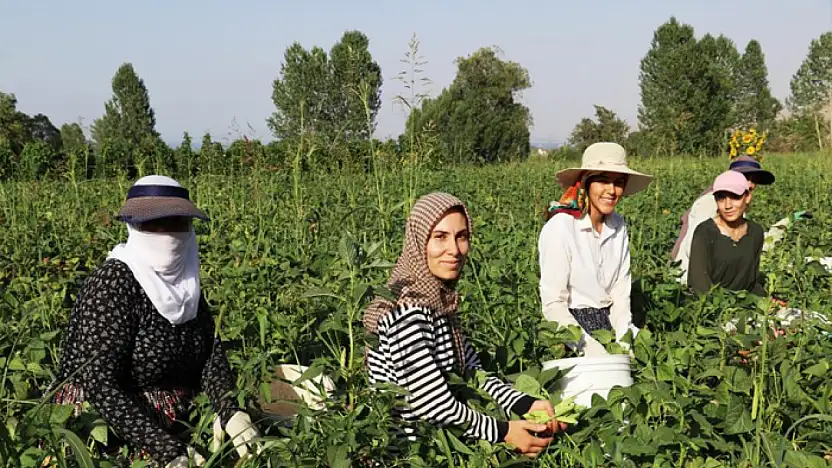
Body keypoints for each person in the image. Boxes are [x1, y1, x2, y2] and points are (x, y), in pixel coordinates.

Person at [46, 176, 259, 468]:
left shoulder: (187, 284)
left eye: (176, 223)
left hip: (172, 405)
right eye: (154, 224)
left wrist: (230, 411)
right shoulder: (114, 283)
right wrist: (165, 448)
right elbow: (98, 382)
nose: (166, 234)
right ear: (134, 227)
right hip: (106, 419)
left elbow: (209, 354)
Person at [363, 192, 566, 458]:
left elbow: (472, 372)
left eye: (461, 236)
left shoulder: (437, 302)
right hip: (410, 454)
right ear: (418, 241)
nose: (454, 250)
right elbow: (431, 402)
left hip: (444, 441)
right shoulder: (407, 312)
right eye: (440, 237)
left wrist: (524, 403)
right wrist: (504, 432)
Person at [539, 142, 653, 356]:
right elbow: (553, 304)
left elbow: (620, 293)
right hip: (571, 327)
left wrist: (624, 341)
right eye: (603, 180)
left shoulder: (618, 225)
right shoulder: (561, 227)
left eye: (619, 182)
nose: (612, 190)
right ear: (586, 183)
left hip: (609, 322)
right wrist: (591, 350)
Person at [671, 155, 803, 285]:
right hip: (689, 279)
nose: (751, 184)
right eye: (746, 178)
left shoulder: (738, 209)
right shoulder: (709, 203)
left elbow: (747, 242)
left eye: (754, 180)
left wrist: (782, 226)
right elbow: (694, 248)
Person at [688, 170, 765, 296]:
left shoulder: (755, 232)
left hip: (743, 302)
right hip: (711, 303)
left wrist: (765, 300)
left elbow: (751, 281)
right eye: (721, 198)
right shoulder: (705, 232)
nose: (727, 205)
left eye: (735, 197)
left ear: (747, 197)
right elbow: (699, 284)